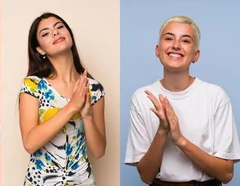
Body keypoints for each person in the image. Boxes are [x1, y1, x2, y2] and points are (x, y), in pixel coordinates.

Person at [124, 15, 240, 186]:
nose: (176, 45)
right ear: (158, 50)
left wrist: (180, 140)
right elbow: (146, 177)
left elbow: (226, 174)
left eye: (185, 41)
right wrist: (163, 131)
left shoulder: (215, 96)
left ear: (196, 55)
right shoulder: (142, 98)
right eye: (169, 38)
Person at [18, 12, 106, 186]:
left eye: (59, 27)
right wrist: (71, 107)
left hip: (82, 180)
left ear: (69, 35)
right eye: (45, 33)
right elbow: (29, 143)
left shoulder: (94, 88)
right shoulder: (32, 85)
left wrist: (87, 116)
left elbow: (99, 151)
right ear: (40, 49)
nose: (55, 33)